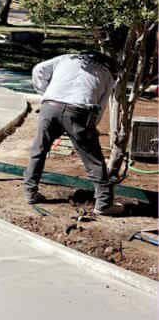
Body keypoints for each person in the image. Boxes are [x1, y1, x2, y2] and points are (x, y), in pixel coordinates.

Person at [23, 50, 116, 213]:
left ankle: (30, 193)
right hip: (80, 111)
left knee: (39, 150)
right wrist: (90, 128)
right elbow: (100, 106)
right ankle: (103, 204)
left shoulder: (67, 58)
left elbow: (38, 69)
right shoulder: (107, 73)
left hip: (50, 107)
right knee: (93, 158)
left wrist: (45, 93)